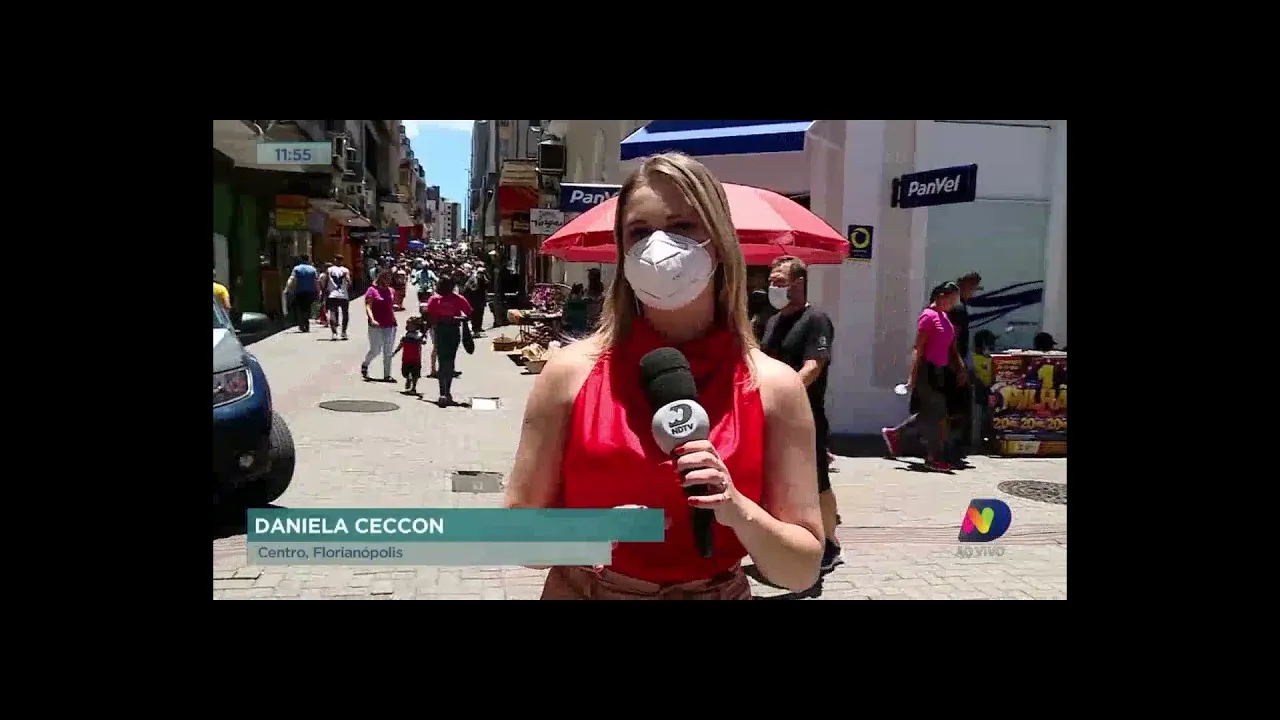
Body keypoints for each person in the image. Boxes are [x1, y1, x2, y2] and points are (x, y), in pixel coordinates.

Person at [504, 152, 824, 600]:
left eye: (682, 227)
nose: (659, 247)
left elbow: (802, 568)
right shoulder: (569, 372)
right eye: (639, 232)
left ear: (718, 241)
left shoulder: (775, 386)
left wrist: (736, 509)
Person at [759, 255, 843, 574]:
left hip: (806, 418)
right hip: (772, 416)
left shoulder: (816, 319)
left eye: (779, 282)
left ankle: (830, 542)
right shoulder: (773, 321)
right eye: (771, 281)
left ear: (799, 283)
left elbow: (813, 367)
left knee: (817, 481)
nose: (773, 287)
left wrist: (783, 391)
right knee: (781, 482)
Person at [882, 282, 967, 472]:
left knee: (930, 412)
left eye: (955, 300)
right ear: (941, 296)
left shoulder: (945, 318)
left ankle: (895, 434)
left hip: (940, 371)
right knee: (938, 414)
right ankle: (933, 458)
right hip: (926, 371)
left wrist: (960, 369)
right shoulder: (928, 317)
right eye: (951, 299)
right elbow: (918, 348)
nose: (953, 303)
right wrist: (912, 377)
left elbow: (951, 348)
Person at [423, 275, 473, 405]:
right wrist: (457, 318)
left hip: (440, 331)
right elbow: (469, 313)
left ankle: (442, 393)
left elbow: (429, 316)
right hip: (452, 331)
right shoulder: (457, 299)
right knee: (449, 362)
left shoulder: (435, 299)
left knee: (442, 360)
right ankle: (446, 392)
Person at [948, 271, 982, 450]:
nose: (973, 292)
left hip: (952, 362)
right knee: (954, 405)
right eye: (973, 288)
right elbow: (954, 340)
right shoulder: (958, 308)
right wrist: (960, 366)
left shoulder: (957, 306)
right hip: (954, 364)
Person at [361, 269, 398, 382]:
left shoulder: (391, 291)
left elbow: (391, 305)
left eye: (389, 278)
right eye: (386, 278)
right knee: (375, 350)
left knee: (388, 351)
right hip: (376, 325)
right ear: (380, 278)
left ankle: (387, 375)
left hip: (390, 324)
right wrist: (371, 319)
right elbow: (368, 306)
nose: (388, 280)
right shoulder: (371, 290)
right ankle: (365, 364)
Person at [392, 317, 428, 394]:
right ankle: (408, 378)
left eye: (412, 325)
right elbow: (401, 344)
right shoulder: (405, 335)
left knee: (416, 374)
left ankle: (414, 387)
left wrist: (422, 339)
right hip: (406, 359)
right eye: (408, 325)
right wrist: (395, 352)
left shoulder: (419, 335)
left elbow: (423, 341)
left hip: (416, 359)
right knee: (404, 372)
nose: (409, 326)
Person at [287, 255, 318, 332]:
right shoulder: (313, 269)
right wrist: (318, 291)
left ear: (301, 259)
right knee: (307, 308)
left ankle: (301, 325)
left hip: (299, 292)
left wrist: (288, 288)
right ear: (308, 260)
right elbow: (316, 281)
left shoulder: (296, 268)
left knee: (299, 308)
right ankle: (306, 324)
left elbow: (292, 279)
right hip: (310, 292)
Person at [326, 255, 352, 340]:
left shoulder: (329, 270)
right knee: (345, 313)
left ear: (334, 260)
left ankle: (334, 333)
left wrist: (325, 290)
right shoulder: (345, 270)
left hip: (332, 295)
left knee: (332, 313)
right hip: (343, 295)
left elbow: (325, 281)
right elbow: (349, 281)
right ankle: (343, 332)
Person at [464, 266, 488, 336]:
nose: (481, 274)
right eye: (480, 273)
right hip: (474, 300)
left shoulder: (484, 279)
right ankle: (475, 329)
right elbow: (467, 288)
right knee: (474, 315)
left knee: (480, 314)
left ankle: (479, 327)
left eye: (482, 273)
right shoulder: (472, 279)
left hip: (481, 299)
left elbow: (487, 286)